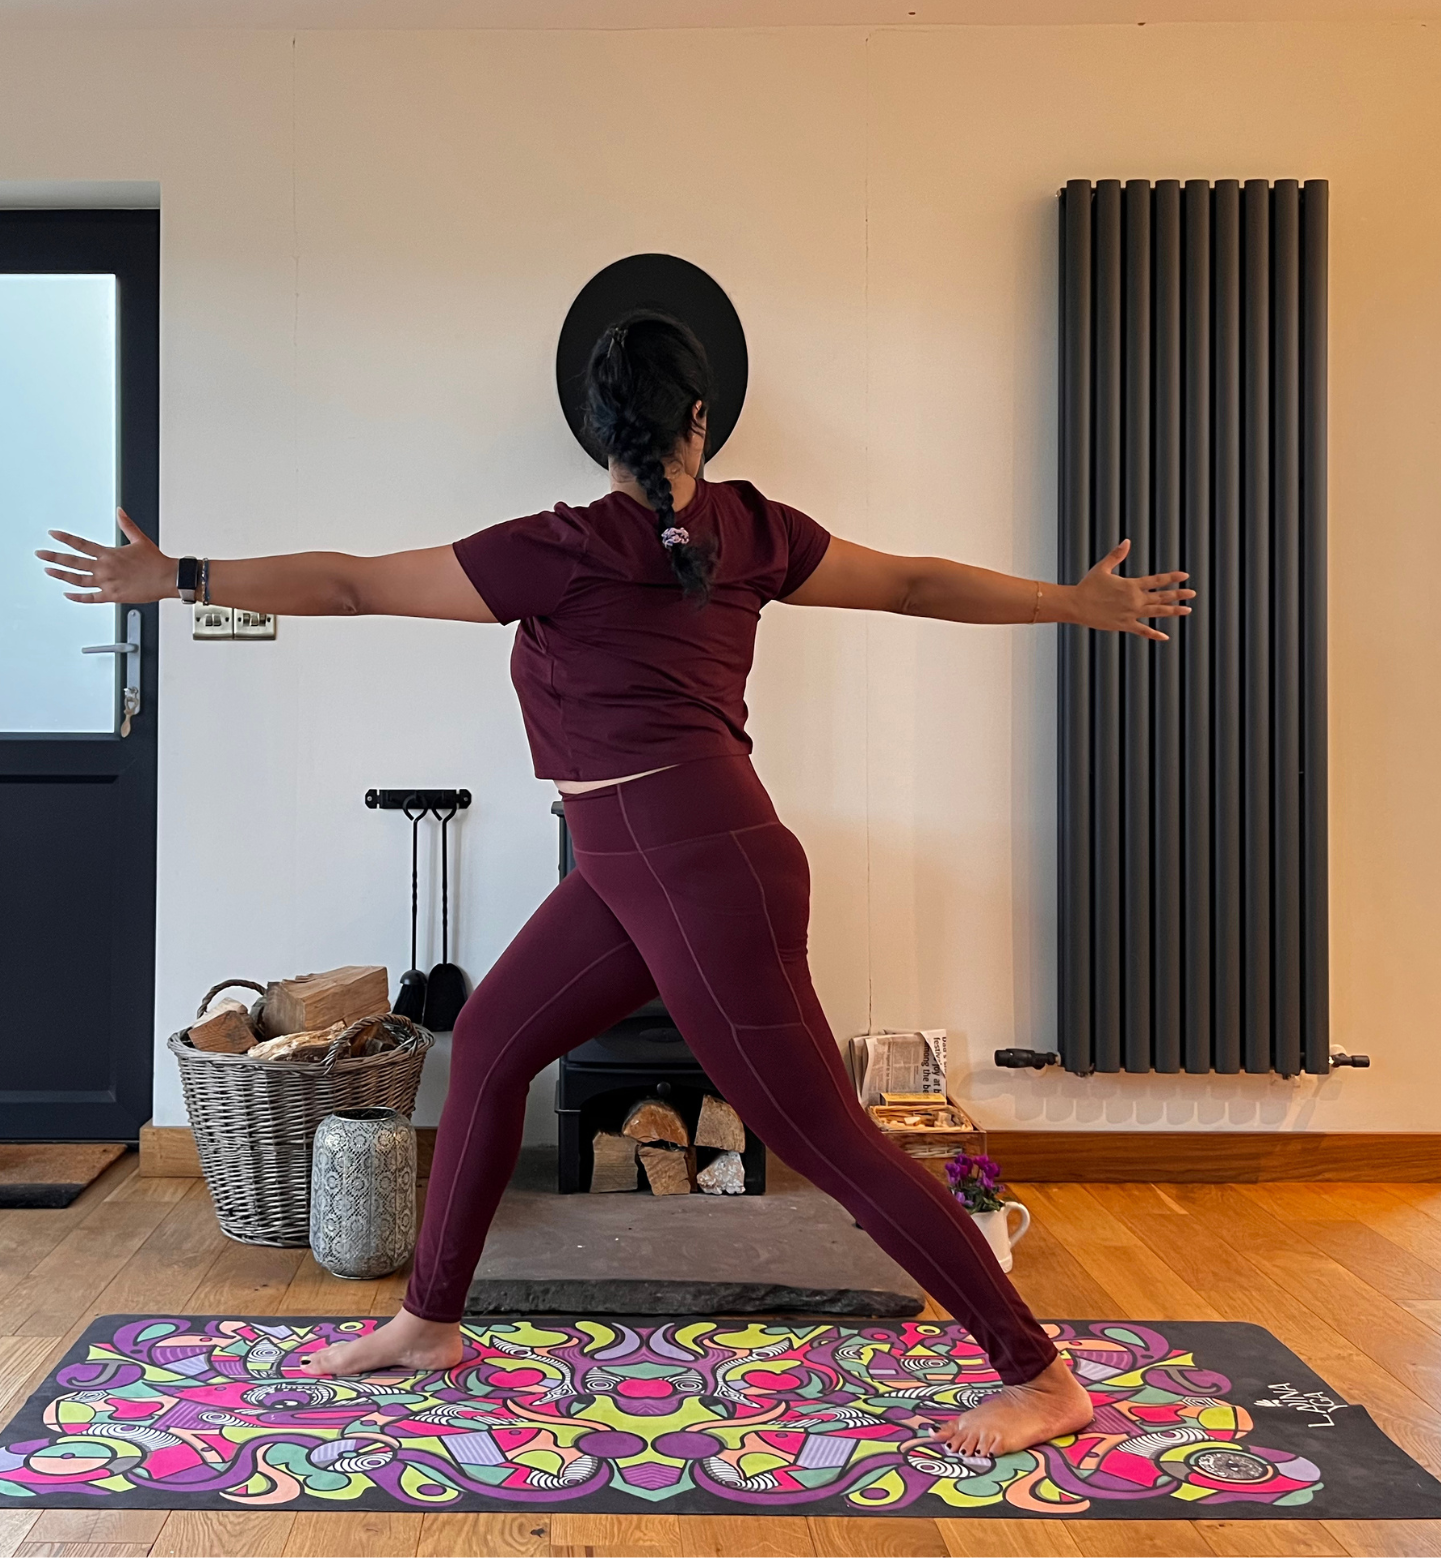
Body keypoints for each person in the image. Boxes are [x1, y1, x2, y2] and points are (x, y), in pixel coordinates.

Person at [38, 311, 1192, 1457]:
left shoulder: (578, 540)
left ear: (596, 429)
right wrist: (1069, 599)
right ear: (700, 418)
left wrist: (178, 574)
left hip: (701, 870)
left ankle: (1039, 1374)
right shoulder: (742, 526)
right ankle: (429, 1320)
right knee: (489, 1043)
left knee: (829, 1137)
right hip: (630, 865)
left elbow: (350, 585)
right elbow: (914, 585)